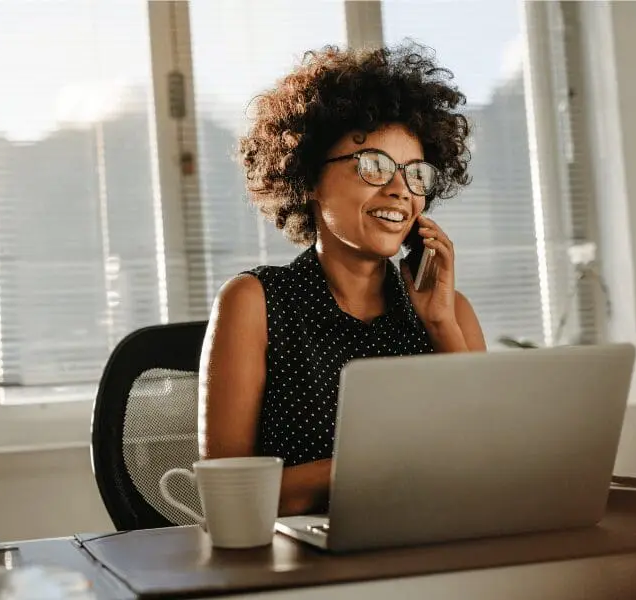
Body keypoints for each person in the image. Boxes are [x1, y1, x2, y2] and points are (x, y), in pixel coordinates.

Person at [198, 42, 486, 516]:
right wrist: (378, 465)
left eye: (416, 174)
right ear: (308, 176)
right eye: (373, 166)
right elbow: (228, 497)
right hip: (301, 567)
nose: (400, 189)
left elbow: (493, 466)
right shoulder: (254, 302)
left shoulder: (449, 312)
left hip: (429, 549)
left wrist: (440, 326)